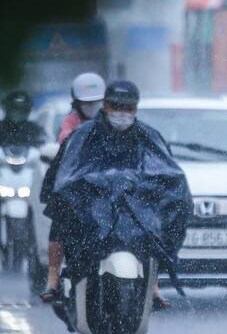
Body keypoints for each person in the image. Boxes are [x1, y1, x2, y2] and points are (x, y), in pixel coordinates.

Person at [41, 80, 183, 308]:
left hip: (133, 206)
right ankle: (53, 278)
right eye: (116, 106)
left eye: (128, 108)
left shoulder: (147, 135)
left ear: (136, 109)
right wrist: (80, 189)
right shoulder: (83, 135)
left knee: (156, 224)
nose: (122, 113)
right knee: (62, 210)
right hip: (92, 206)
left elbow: (166, 172)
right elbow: (65, 173)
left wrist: (156, 190)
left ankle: (153, 282)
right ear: (105, 106)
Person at [41, 73, 107, 302]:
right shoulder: (70, 122)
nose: (91, 107)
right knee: (59, 220)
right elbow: (65, 145)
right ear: (76, 102)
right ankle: (53, 277)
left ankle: (152, 283)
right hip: (77, 188)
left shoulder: (113, 121)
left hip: (108, 187)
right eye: (86, 102)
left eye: (96, 102)